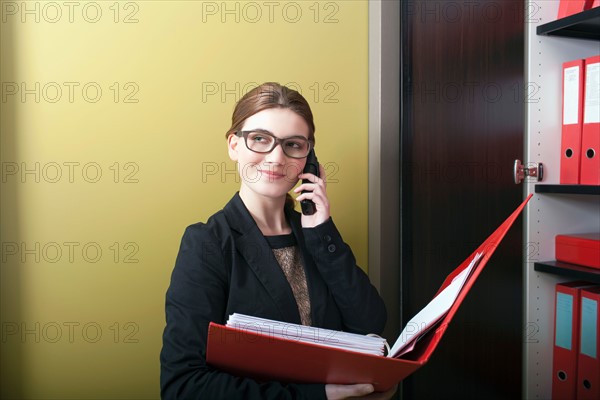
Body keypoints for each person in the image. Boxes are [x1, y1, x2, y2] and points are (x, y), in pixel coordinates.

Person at [160, 82, 394, 399]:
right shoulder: (207, 243)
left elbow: (370, 323)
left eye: (293, 145)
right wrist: (318, 396)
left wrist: (321, 228)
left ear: (308, 158)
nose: (276, 157)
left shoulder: (316, 235)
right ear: (233, 145)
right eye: (260, 139)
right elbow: (183, 387)